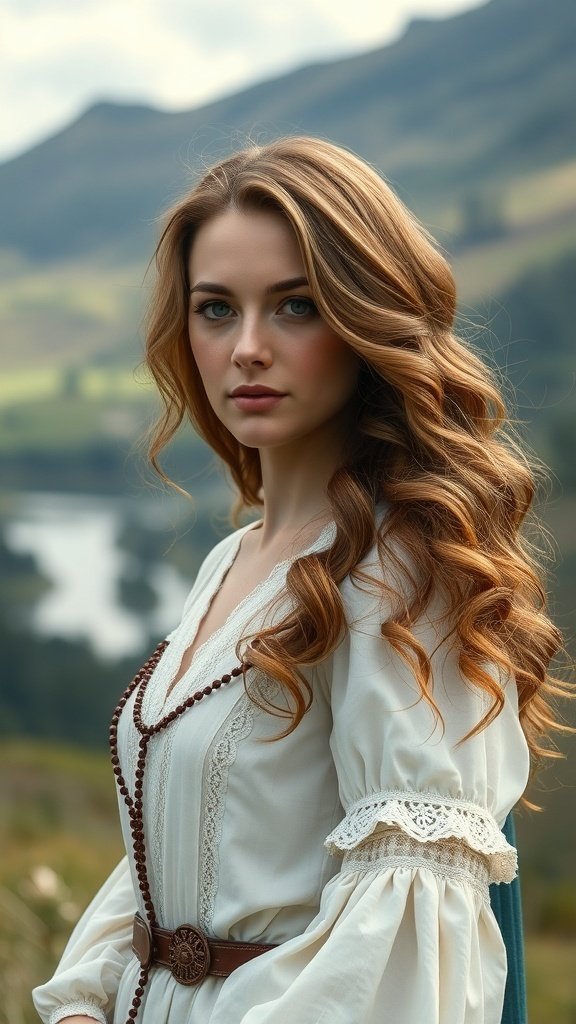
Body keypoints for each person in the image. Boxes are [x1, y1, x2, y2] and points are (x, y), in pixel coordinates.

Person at [32, 136, 566, 1024]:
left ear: (367, 321)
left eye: (295, 306)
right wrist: (89, 1000)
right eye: (215, 309)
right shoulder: (232, 562)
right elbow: (172, 863)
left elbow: (402, 953)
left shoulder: (404, 576)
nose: (246, 348)